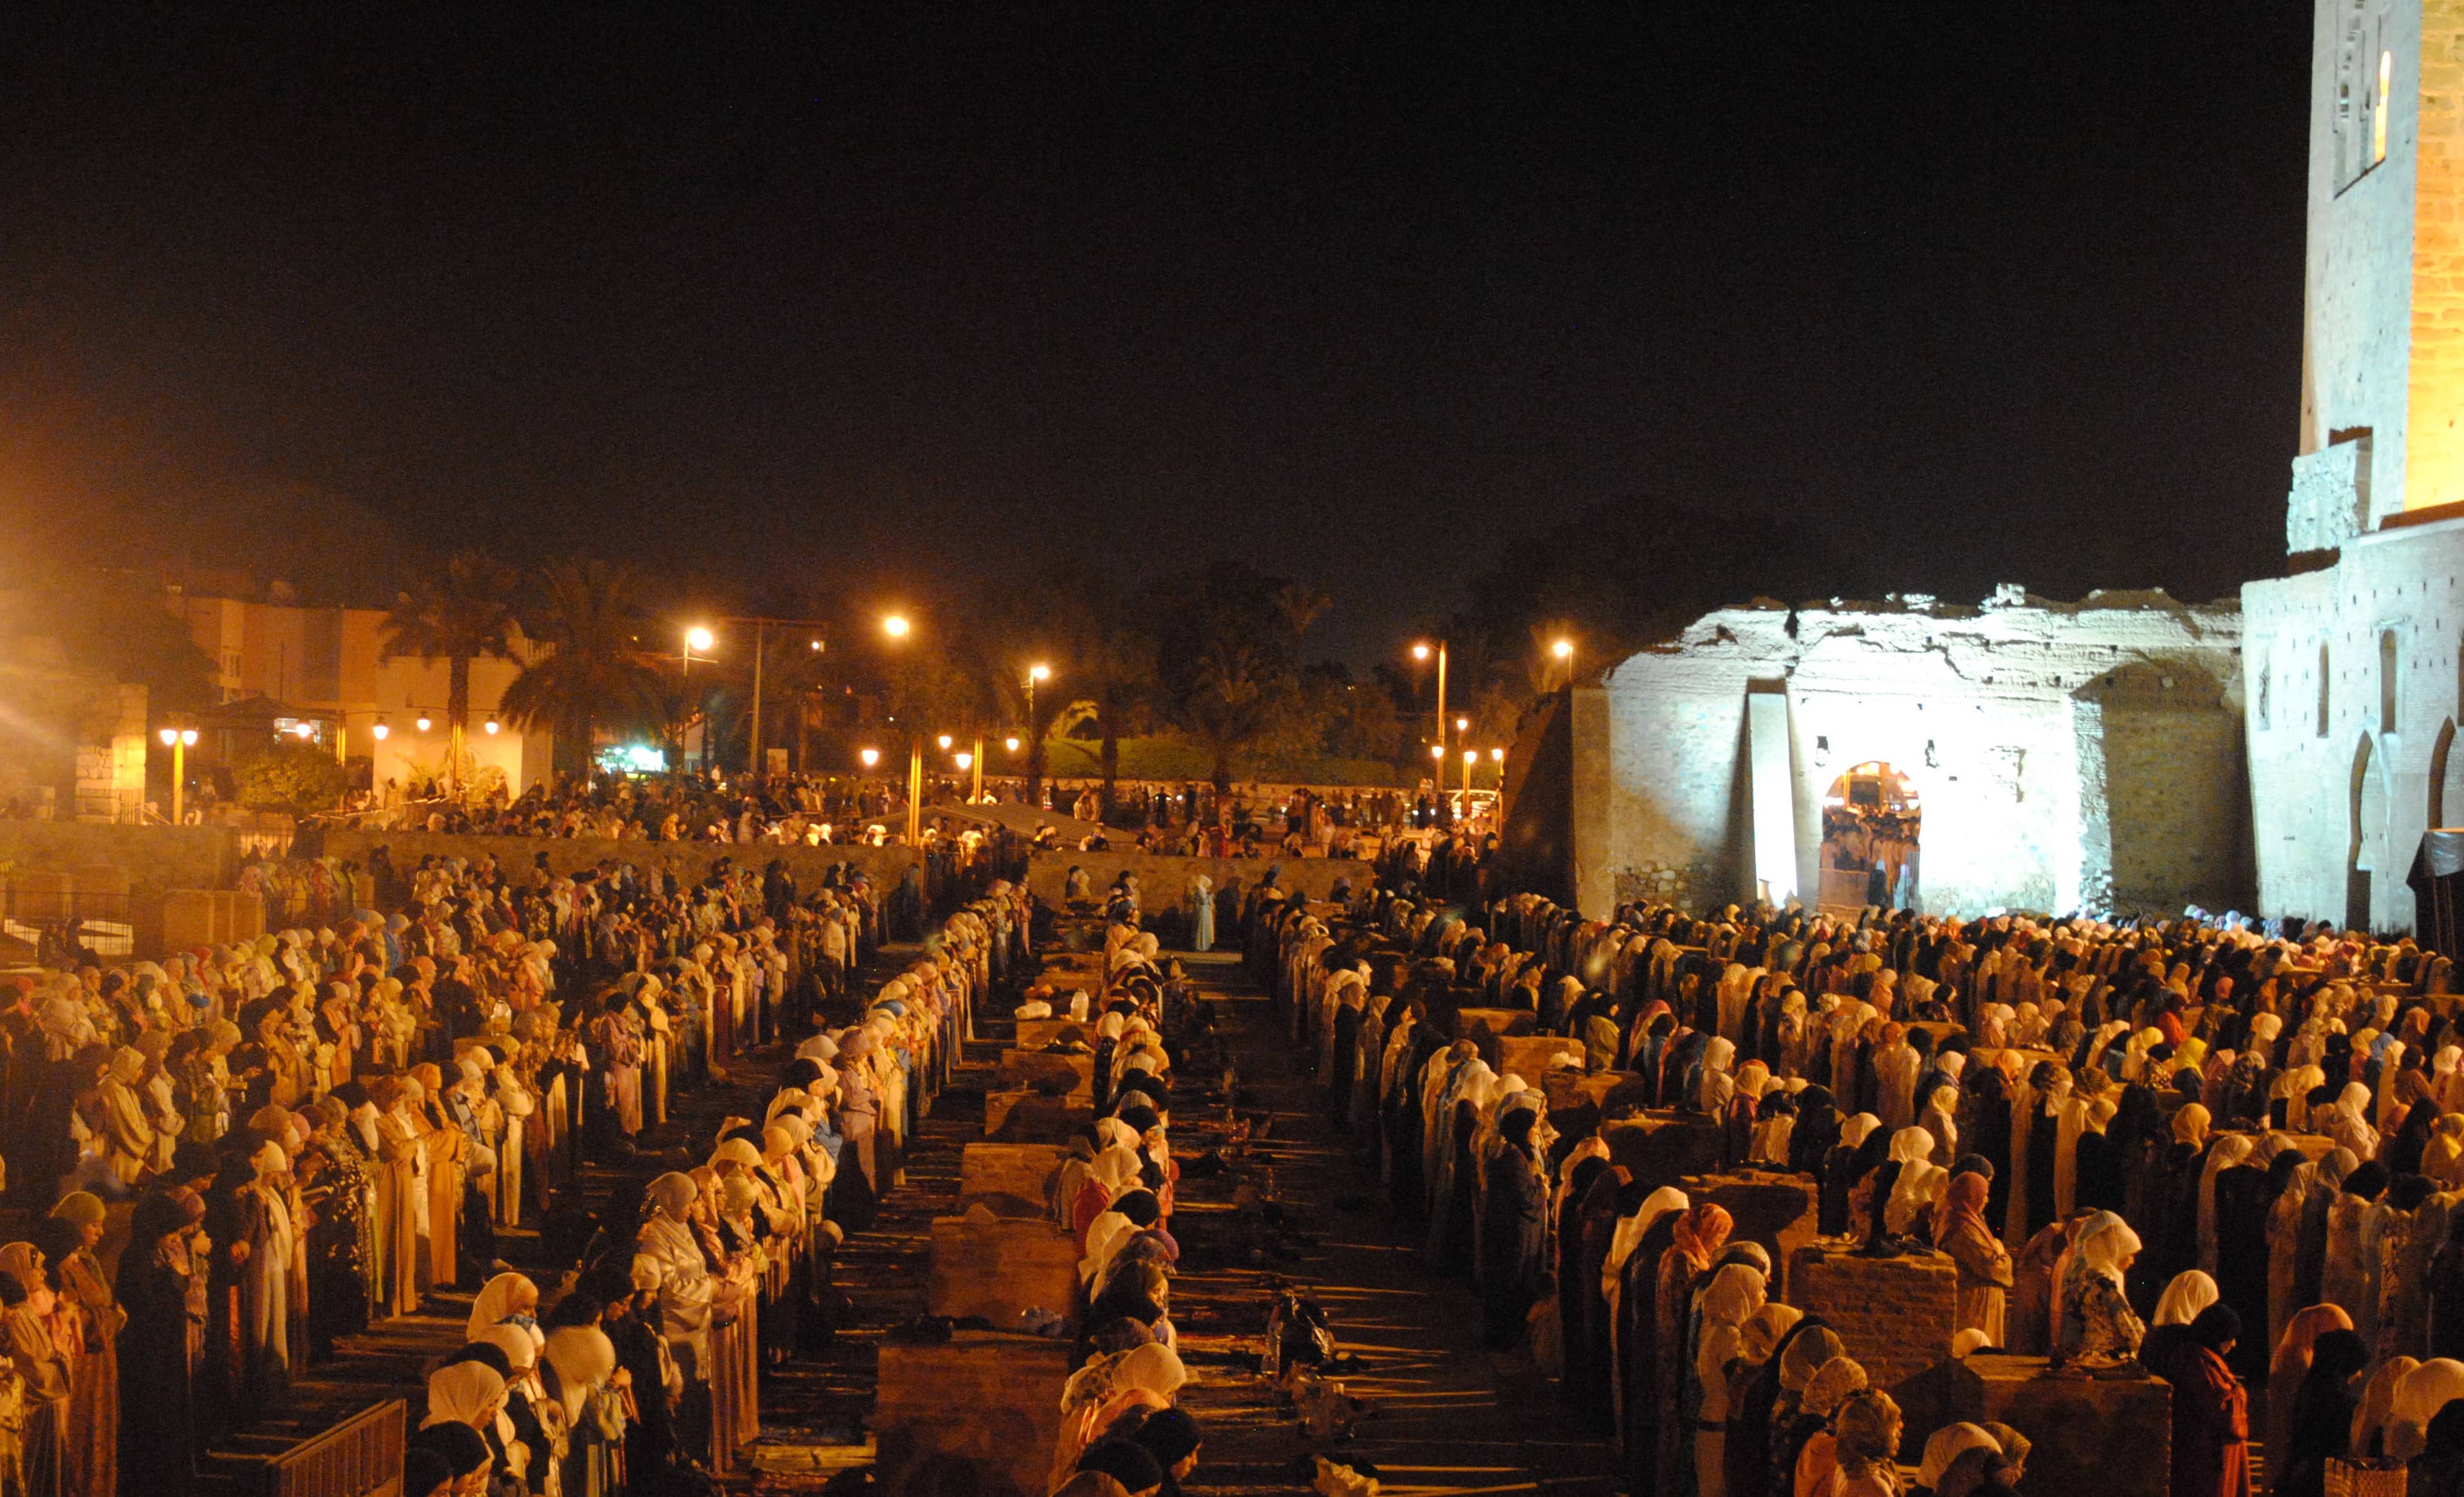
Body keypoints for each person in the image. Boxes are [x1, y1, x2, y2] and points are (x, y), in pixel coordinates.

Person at [2167, 1303, 2252, 1497]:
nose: (2233, 1344)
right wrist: (2239, 1392)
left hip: (2213, 1456)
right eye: (2229, 1338)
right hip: (2207, 1460)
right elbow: (2223, 1411)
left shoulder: (2203, 1359)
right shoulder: (2196, 1361)